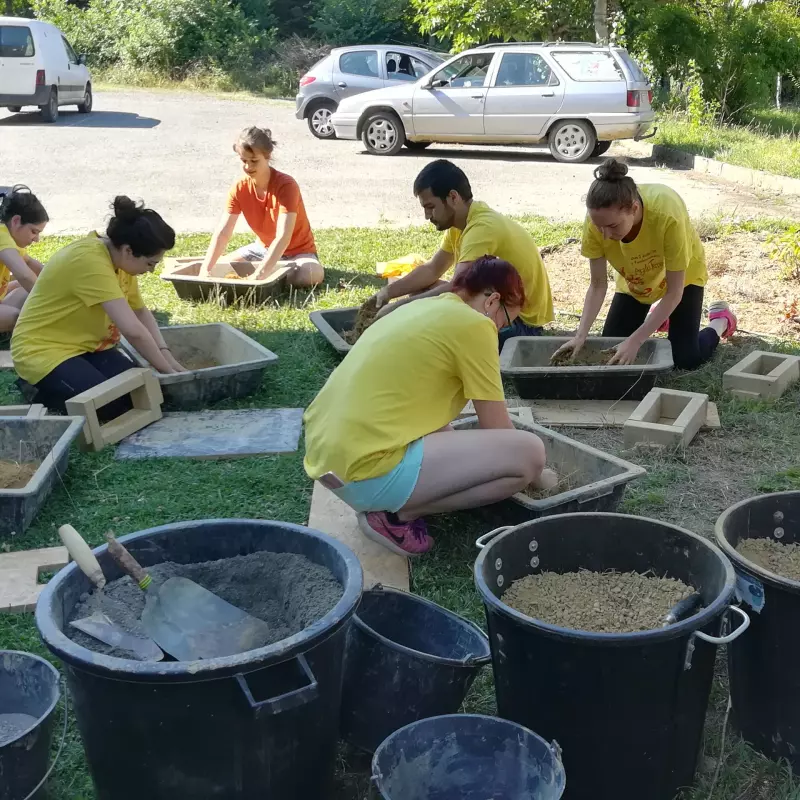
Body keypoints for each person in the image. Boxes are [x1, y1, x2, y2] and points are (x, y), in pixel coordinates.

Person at [304, 256, 548, 557]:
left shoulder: (421, 308)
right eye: (506, 322)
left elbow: (428, 415)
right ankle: (395, 517)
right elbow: (499, 430)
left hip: (330, 460)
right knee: (530, 452)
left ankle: (390, 501)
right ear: (493, 301)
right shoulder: (475, 326)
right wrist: (541, 476)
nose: (499, 331)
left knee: (454, 436)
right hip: (367, 471)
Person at [11, 197, 186, 419]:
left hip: (88, 348)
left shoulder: (120, 260)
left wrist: (167, 357)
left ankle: (70, 381)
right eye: (150, 263)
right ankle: (37, 388)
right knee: (112, 408)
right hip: (44, 351)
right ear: (128, 250)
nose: (151, 270)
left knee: (147, 394)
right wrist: (168, 372)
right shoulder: (89, 260)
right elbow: (133, 330)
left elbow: (140, 312)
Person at [553, 159, 736, 369]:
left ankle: (721, 321)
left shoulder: (667, 214)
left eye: (613, 226)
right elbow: (597, 285)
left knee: (685, 359)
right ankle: (659, 318)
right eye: (599, 226)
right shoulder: (599, 221)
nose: (605, 235)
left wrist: (637, 340)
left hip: (683, 278)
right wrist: (580, 335)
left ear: (634, 208)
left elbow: (674, 292)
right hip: (637, 279)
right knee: (613, 349)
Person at [373, 159, 554, 349]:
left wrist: (398, 308)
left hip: (520, 325)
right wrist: (387, 294)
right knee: (420, 291)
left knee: (430, 329)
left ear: (453, 197)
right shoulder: (460, 224)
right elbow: (433, 269)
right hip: (496, 306)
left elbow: (457, 289)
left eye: (430, 207)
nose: (427, 216)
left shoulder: (482, 227)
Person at [201, 126, 322, 287]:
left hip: (298, 253)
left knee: (311, 274)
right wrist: (205, 269)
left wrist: (260, 274)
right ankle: (275, 276)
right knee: (221, 268)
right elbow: (223, 233)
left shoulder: (286, 185)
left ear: (267, 156)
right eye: (243, 161)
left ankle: (270, 276)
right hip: (262, 250)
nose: (248, 167)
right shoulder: (239, 187)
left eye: (254, 161)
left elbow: (283, 236)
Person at [0, 185, 48, 332]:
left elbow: (31, 264)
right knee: (16, 316)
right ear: (16, 221)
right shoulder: (1, 235)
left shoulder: (9, 237)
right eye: (34, 231)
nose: (37, 239)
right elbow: (24, 275)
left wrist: (59, 282)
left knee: (28, 289)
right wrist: (55, 301)